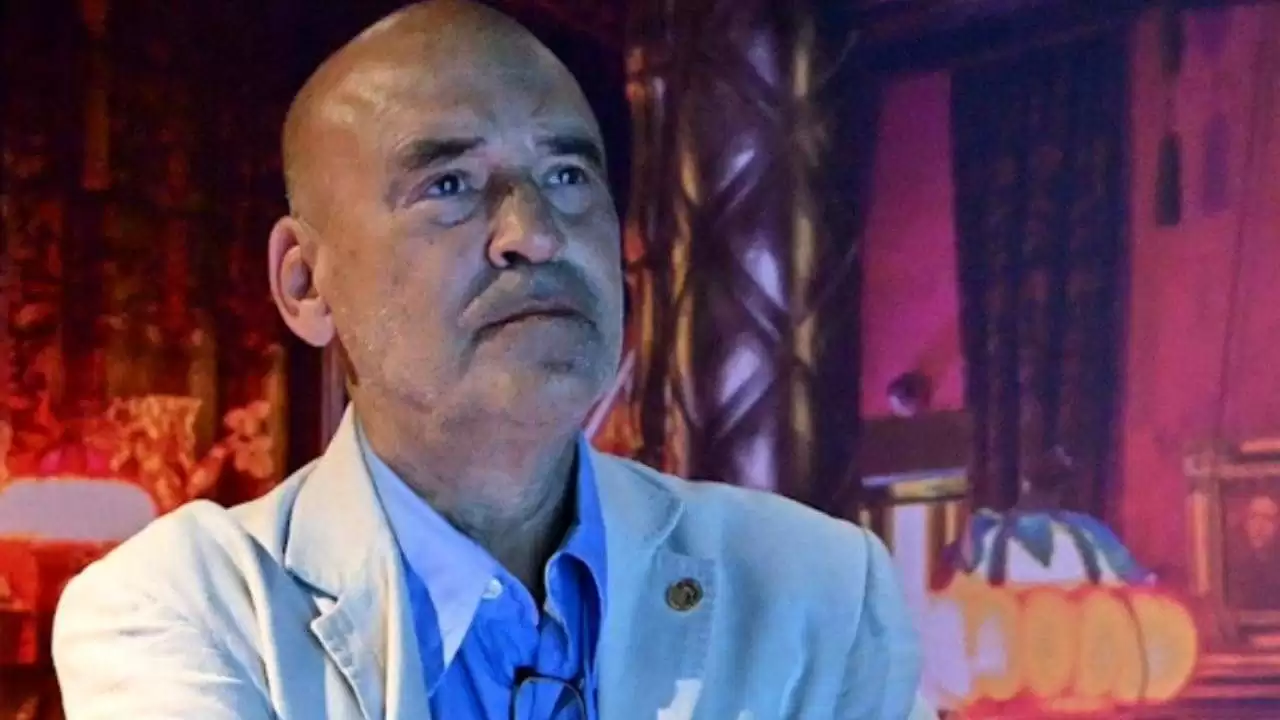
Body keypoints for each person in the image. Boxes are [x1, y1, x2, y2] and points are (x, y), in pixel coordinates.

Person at [50, 2, 932, 718]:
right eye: (449, 185)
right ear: (306, 284)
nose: (534, 233)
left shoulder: (816, 590)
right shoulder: (185, 606)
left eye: (568, 176)